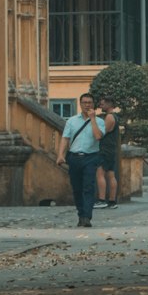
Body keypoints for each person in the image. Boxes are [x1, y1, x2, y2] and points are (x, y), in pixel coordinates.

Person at [56, 91, 109, 228]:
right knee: (77, 188)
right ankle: (81, 214)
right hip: (74, 157)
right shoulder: (72, 121)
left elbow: (98, 136)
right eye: (84, 103)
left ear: (94, 105)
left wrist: (92, 119)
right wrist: (60, 154)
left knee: (88, 187)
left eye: (89, 103)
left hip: (91, 157)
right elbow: (65, 138)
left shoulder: (100, 122)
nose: (87, 105)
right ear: (80, 104)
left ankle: (87, 217)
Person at [94, 95, 120, 209]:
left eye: (103, 103)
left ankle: (102, 199)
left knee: (100, 173)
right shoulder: (115, 116)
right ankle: (112, 201)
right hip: (111, 149)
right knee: (111, 174)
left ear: (109, 104)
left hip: (105, 148)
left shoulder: (109, 117)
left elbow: (102, 133)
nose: (101, 105)